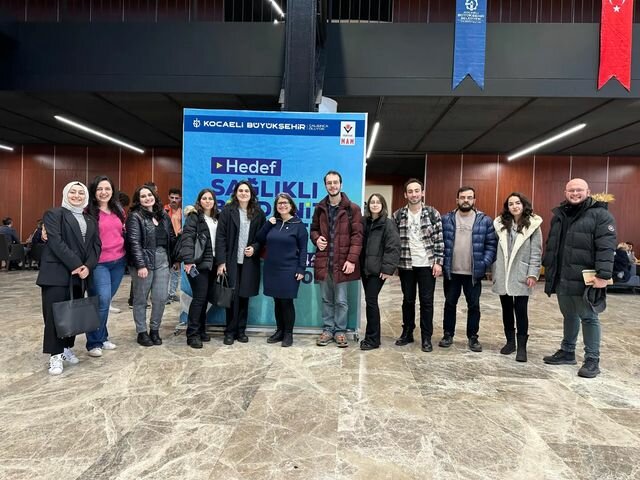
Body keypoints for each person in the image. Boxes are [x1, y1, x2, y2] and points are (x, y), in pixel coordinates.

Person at [542, 178, 616, 378]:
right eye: (571, 190)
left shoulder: (600, 215)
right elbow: (552, 244)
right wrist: (549, 268)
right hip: (562, 276)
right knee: (569, 315)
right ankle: (567, 351)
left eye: (579, 190)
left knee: (589, 317)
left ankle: (592, 359)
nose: (575, 193)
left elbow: (606, 247)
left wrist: (603, 275)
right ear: (565, 193)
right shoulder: (559, 215)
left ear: (588, 192)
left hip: (586, 279)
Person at [36, 181, 101, 375]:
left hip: (80, 275)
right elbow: (56, 242)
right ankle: (55, 355)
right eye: (73, 192)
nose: (77, 196)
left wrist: (88, 266)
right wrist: (77, 264)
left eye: (81, 193)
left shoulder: (90, 219)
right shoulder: (54, 214)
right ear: (65, 194)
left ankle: (65, 348)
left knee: (71, 313)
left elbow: (96, 246)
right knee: (54, 315)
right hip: (56, 273)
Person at [439, 186, 497, 352]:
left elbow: (491, 245)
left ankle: (473, 337)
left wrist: (484, 263)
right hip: (452, 272)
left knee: (474, 306)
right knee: (450, 304)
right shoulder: (446, 219)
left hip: (473, 273)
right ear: (457, 200)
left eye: (469, 197)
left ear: (474, 200)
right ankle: (448, 334)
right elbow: (440, 242)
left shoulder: (484, 221)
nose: (466, 200)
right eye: (462, 197)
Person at [310, 170, 363, 348]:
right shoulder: (319, 208)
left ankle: (340, 331)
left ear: (341, 184)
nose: (332, 186)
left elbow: (357, 236)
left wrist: (351, 260)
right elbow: (313, 230)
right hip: (324, 262)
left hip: (343, 263)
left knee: (341, 301)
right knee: (326, 300)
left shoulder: (353, 209)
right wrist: (317, 238)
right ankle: (327, 329)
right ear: (325, 185)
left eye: (335, 182)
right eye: (329, 183)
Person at [393, 178, 443, 352]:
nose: (413, 194)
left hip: (427, 265)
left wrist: (438, 262)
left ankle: (426, 337)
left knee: (426, 302)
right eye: (410, 191)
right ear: (405, 194)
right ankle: (407, 332)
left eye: (417, 191)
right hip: (406, 264)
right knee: (408, 300)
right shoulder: (398, 215)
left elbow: (439, 240)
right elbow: (394, 242)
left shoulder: (432, 213)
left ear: (422, 193)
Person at [492, 192, 543, 362]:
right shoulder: (500, 224)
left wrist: (533, 273)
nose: (514, 206)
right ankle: (510, 342)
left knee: (521, 310)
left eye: (518, 203)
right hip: (503, 272)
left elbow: (536, 252)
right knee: (506, 308)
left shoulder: (533, 225)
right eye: (511, 204)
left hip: (522, 272)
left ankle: (522, 347)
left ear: (523, 205)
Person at [215, 180, 266, 345]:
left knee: (244, 297)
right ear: (235, 193)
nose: (243, 193)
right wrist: (221, 262)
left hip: (249, 262)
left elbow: (262, 238)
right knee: (231, 298)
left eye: (246, 191)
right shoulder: (227, 211)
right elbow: (220, 237)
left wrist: (255, 248)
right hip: (231, 262)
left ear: (251, 194)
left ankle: (241, 331)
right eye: (240, 190)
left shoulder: (258, 213)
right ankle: (230, 332)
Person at [126, 185, 176, 347]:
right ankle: (141, 332)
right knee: (140, 299)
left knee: (160, 298)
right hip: (144, 262)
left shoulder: (164, 215)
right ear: (138, 200)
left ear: (155, 195)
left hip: (163, 260)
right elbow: (133, 242)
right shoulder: (135, 216)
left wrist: (175, 259)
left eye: (150, 194)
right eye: (143, 196)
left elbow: (171, 238)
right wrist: (141, 265)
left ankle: (155, 330)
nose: (147, 198)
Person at [256, 193, 308, 347]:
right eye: (279, 203)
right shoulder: (273, 222)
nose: (282, 205)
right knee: (277, 301)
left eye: (285, 203)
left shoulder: (299, 225)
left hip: (289, 269)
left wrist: (301, 269)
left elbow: (303, 250)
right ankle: (279, 331)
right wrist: (267, 224)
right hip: (272, 268)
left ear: (291, 205)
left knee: (286, 302)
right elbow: (259, 238)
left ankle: (288, 334)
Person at [84, 175, 126, 357]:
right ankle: (94, 342)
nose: (104, 192)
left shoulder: (118, 209)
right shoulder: (87, 211)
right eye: (100, 189)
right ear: (94, 192)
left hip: (119, 261)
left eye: (107, 188)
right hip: (98, 263)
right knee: (101, 300)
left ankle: (103, 336)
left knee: (104, 302)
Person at [360, 193, 400, 350]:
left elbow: (393, 247)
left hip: (377, 271)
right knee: (370, 301)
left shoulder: (388, 224)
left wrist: (387, 268)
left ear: (383, 205)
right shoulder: (364, 222)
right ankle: (370, 336)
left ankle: (373, 339)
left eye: (378, 202)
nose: (375, 204)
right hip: (365, 269)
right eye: (372, 202)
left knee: (371, 301)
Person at [182, 188, 218, 349]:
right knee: (199, 298)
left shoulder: (216, 218)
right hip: (197, 264)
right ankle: (192, 335)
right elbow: (187, 239)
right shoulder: (194, 216)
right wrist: (188, 261)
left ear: (214, 201)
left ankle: (201, 330)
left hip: (212, 263)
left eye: (210, 198)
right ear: (199, 200)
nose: (207, 201)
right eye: (204, 198)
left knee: (204, 299)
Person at [165, 187, 183, 303]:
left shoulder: (182, 211)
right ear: (168, 197)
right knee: (166, 271)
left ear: (180, 199)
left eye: (176, 198)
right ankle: (164, 294)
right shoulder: (164, 210)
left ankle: (171, 293)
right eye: (172, 197)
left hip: (178, 243)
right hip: (166, 244)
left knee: (176, 269)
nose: (174, 200)